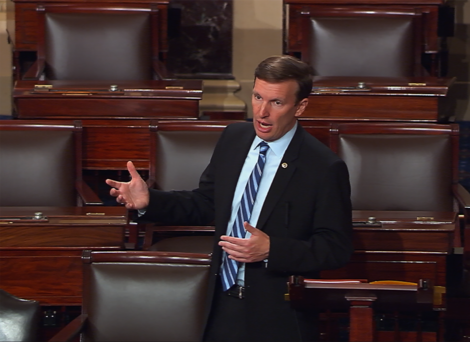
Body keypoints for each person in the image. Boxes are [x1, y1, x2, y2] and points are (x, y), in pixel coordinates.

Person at [106, 55, 352, 341]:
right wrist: (151, 201)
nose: (261, 113)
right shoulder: (234, 138)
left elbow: (336, 247)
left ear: (300, 106)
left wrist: (273, 249)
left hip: (278, 312)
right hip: (221, 301)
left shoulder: (323, 166)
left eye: (276, 103)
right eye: (258, 97)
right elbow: (206, 202)